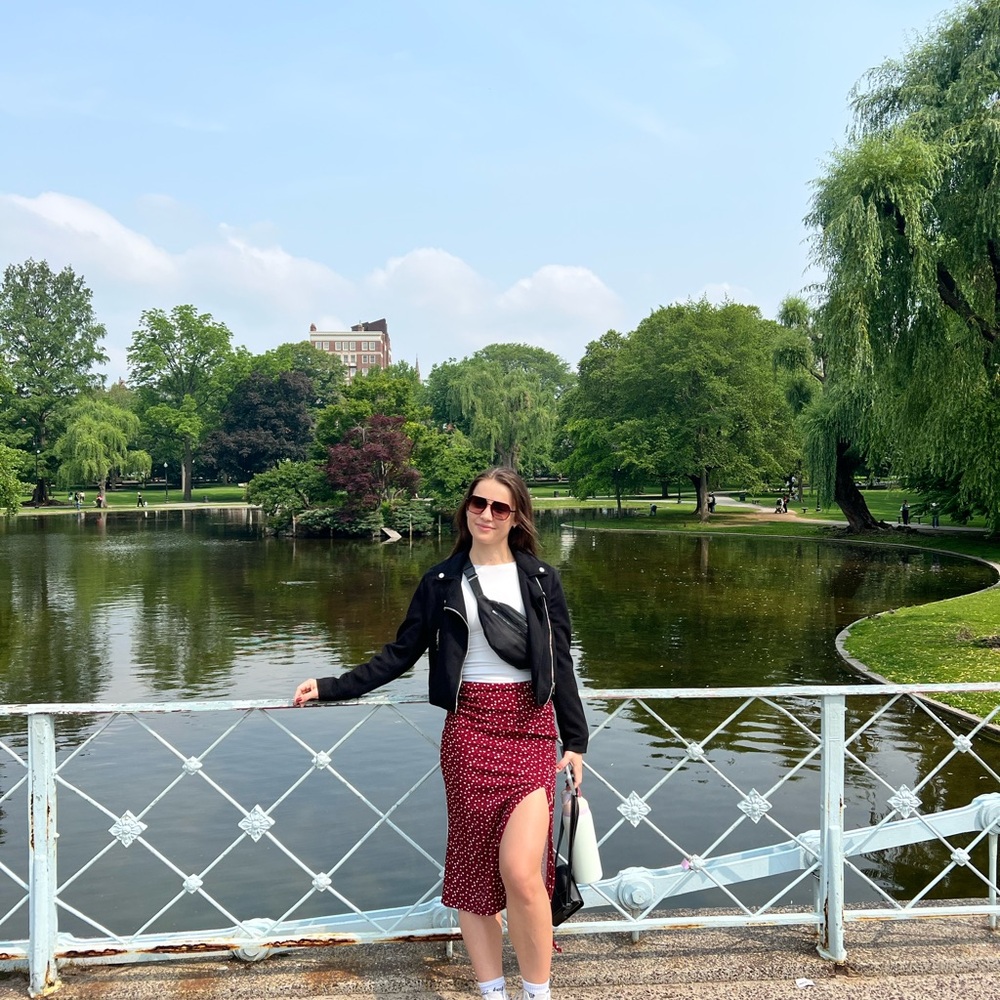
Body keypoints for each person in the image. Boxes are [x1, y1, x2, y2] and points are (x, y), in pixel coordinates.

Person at [293, 468, 588, 1000]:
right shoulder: (441, 580)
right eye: (479, 504)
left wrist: (577, 741)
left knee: (522, 874)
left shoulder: (543, 580)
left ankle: (538, 992)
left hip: (529, 729)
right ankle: (492, 990)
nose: (487, 515)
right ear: (466, 509)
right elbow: (401, 653)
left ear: (517, 516)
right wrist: (333, 686)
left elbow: (560, 662)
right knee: (475, 878)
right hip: (470, 731)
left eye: (500, 508)